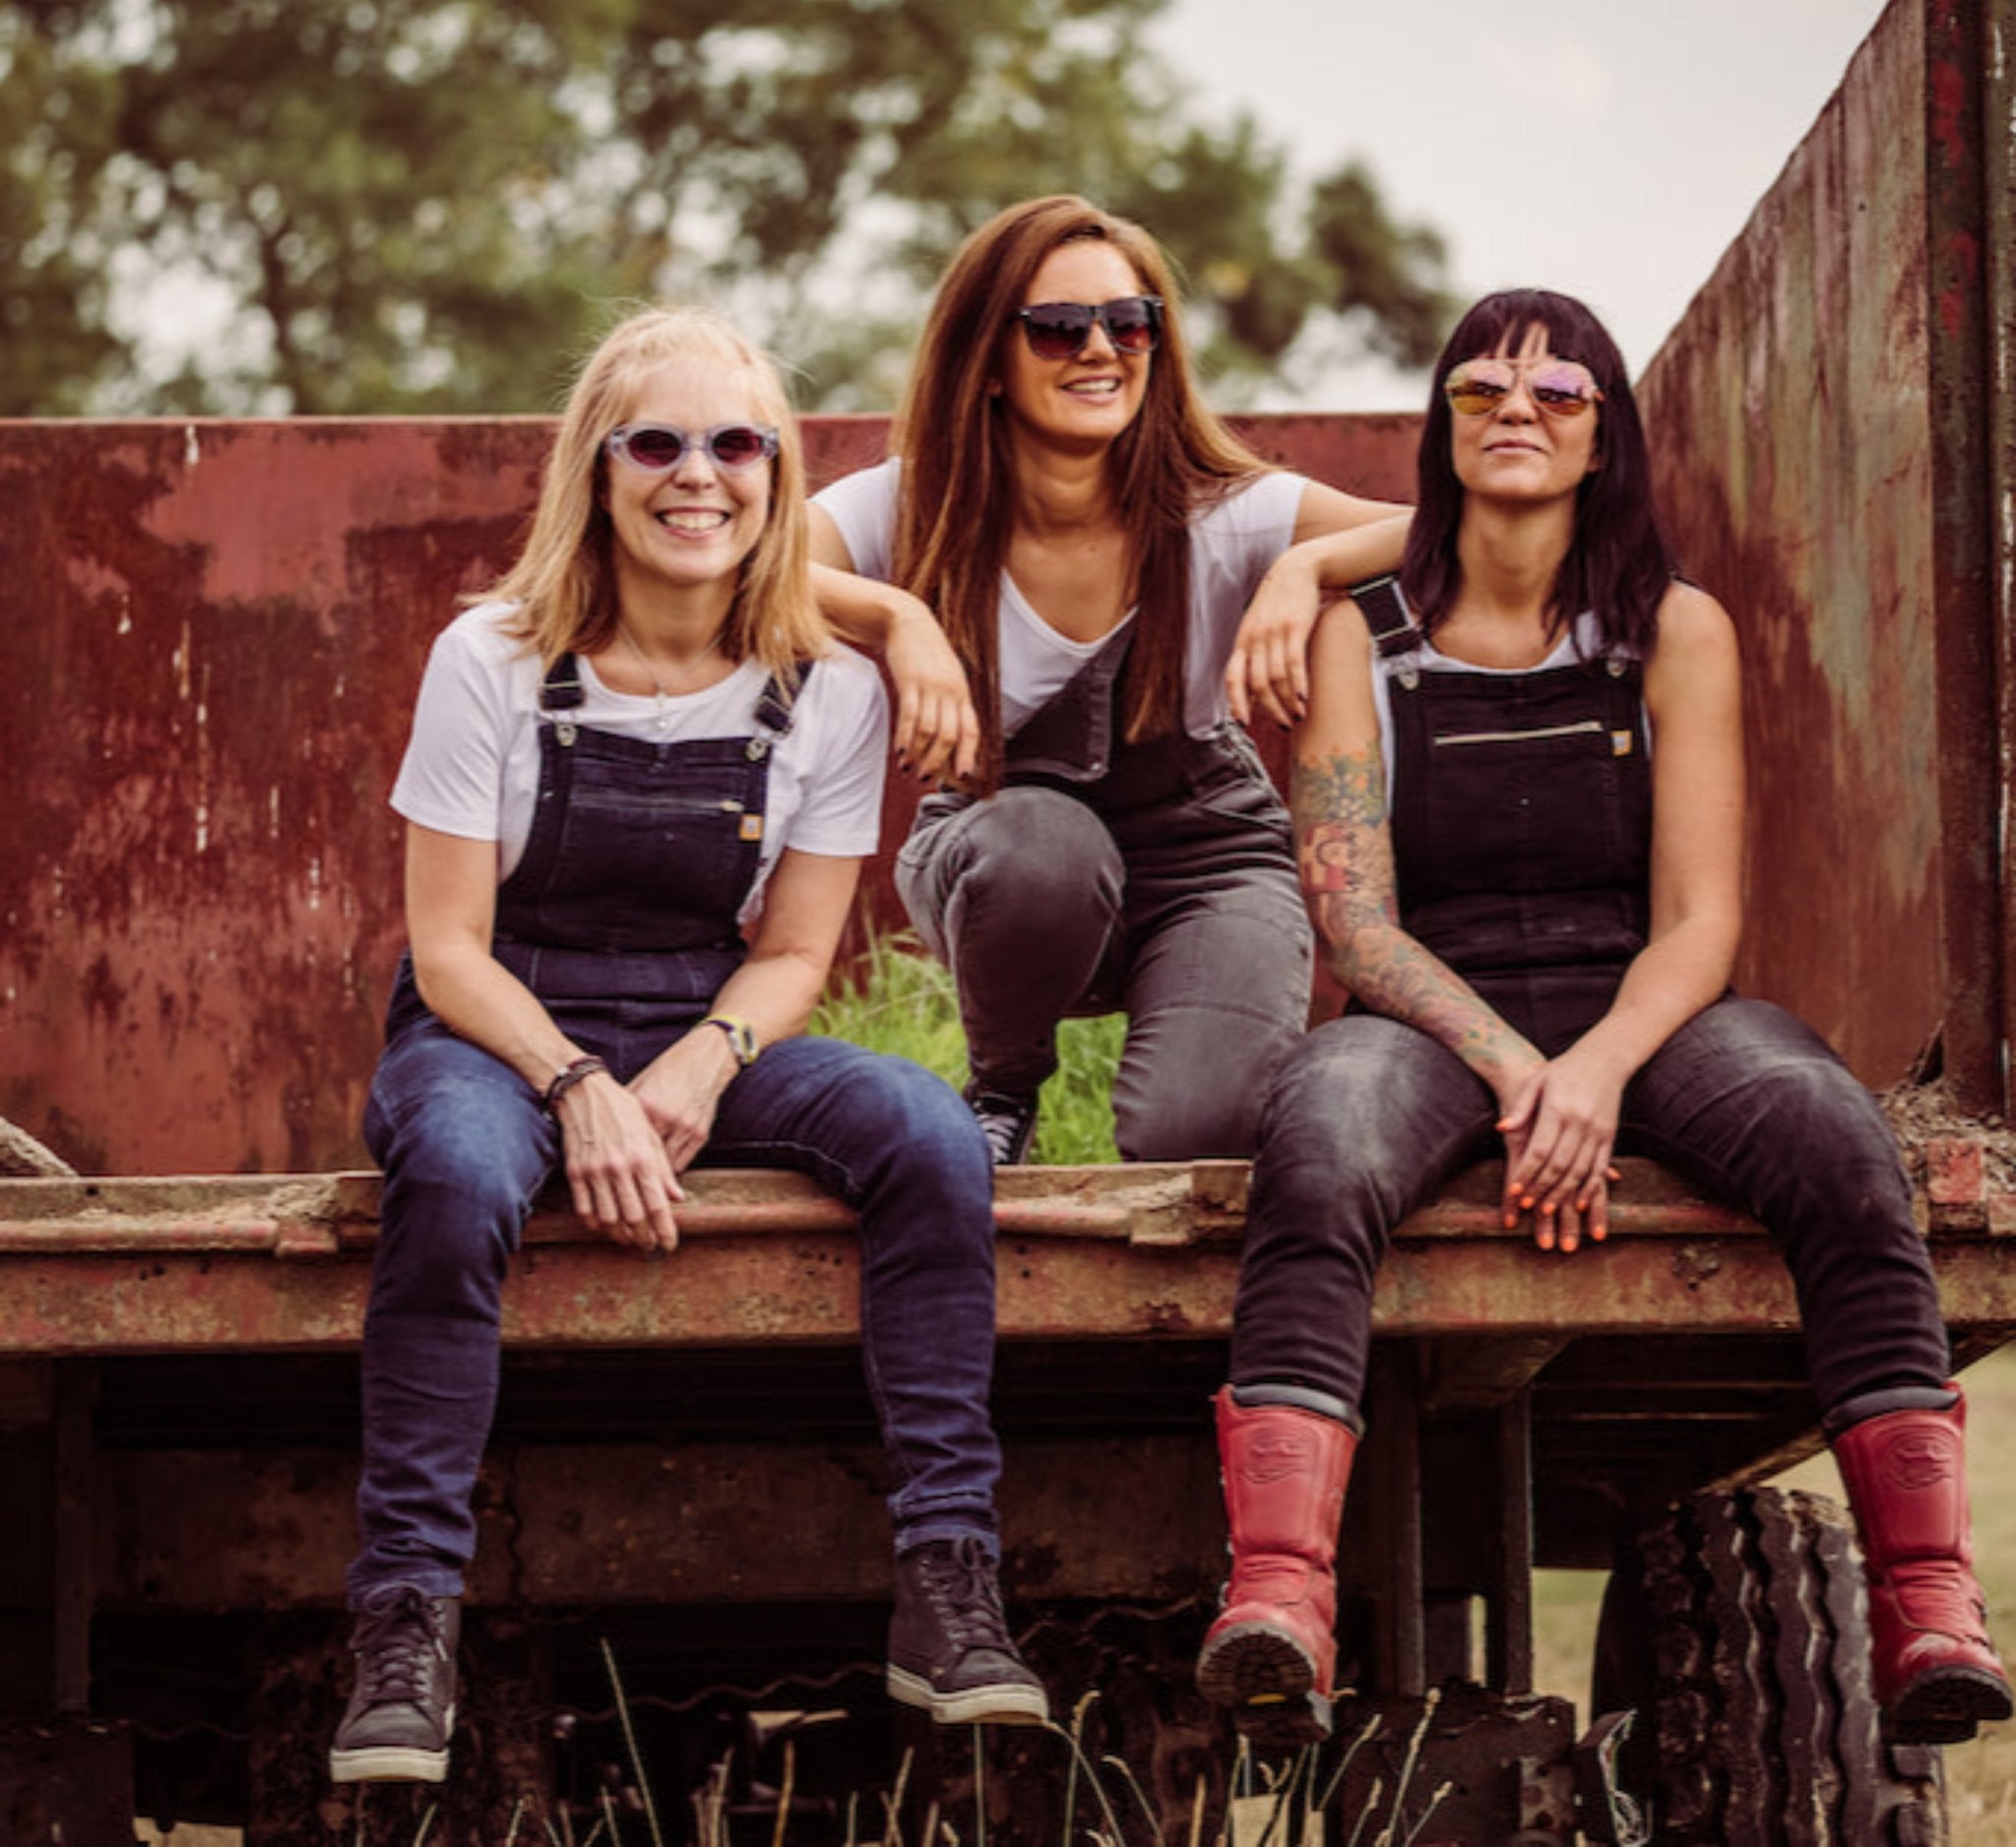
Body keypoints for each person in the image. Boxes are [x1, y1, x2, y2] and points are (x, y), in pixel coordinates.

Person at [1195, 287, 2014, 1751]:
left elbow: (1700, 919)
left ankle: (1930, 1609)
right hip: (1428, 1011)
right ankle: (1279, 1605)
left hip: (1639, 1001)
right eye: (1481, 392)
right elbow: (1356, 923)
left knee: (1835, 1137)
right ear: (1440, 433)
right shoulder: (1357, 639)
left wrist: (1599, 1070)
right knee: (1319, 1141)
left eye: (1558, 394)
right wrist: (1520, 1070)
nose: (1519, 411)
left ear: (1602, 441)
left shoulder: (1671, 631)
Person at [331, 307, 1046, 1787]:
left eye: (738, 444)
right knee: (461, 1176)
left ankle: (950, 1587)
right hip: (495, 1025)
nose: (697, 475)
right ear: (597, 474)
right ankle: (404, 1626)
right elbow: (449, 951)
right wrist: (577, 1087)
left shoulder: (825, 688)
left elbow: (793, 954)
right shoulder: (494, 660)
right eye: (655, 442)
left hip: (700, 1013)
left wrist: (699, 1063)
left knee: (923, 1130)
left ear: (781, 478)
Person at [809, 193, 1412, 1167]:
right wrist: (897, 613)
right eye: (1055, 328)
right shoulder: (911, 507)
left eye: (1127, 322)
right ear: (988, 359)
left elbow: (1447, 532)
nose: (1099, 348)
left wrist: (1306, 566)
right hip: (1004, 861)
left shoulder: (1223, 512)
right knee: (1041, 843)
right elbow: (741, 567)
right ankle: (1001, 1087)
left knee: (1197, 1137)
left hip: (1207, 860)